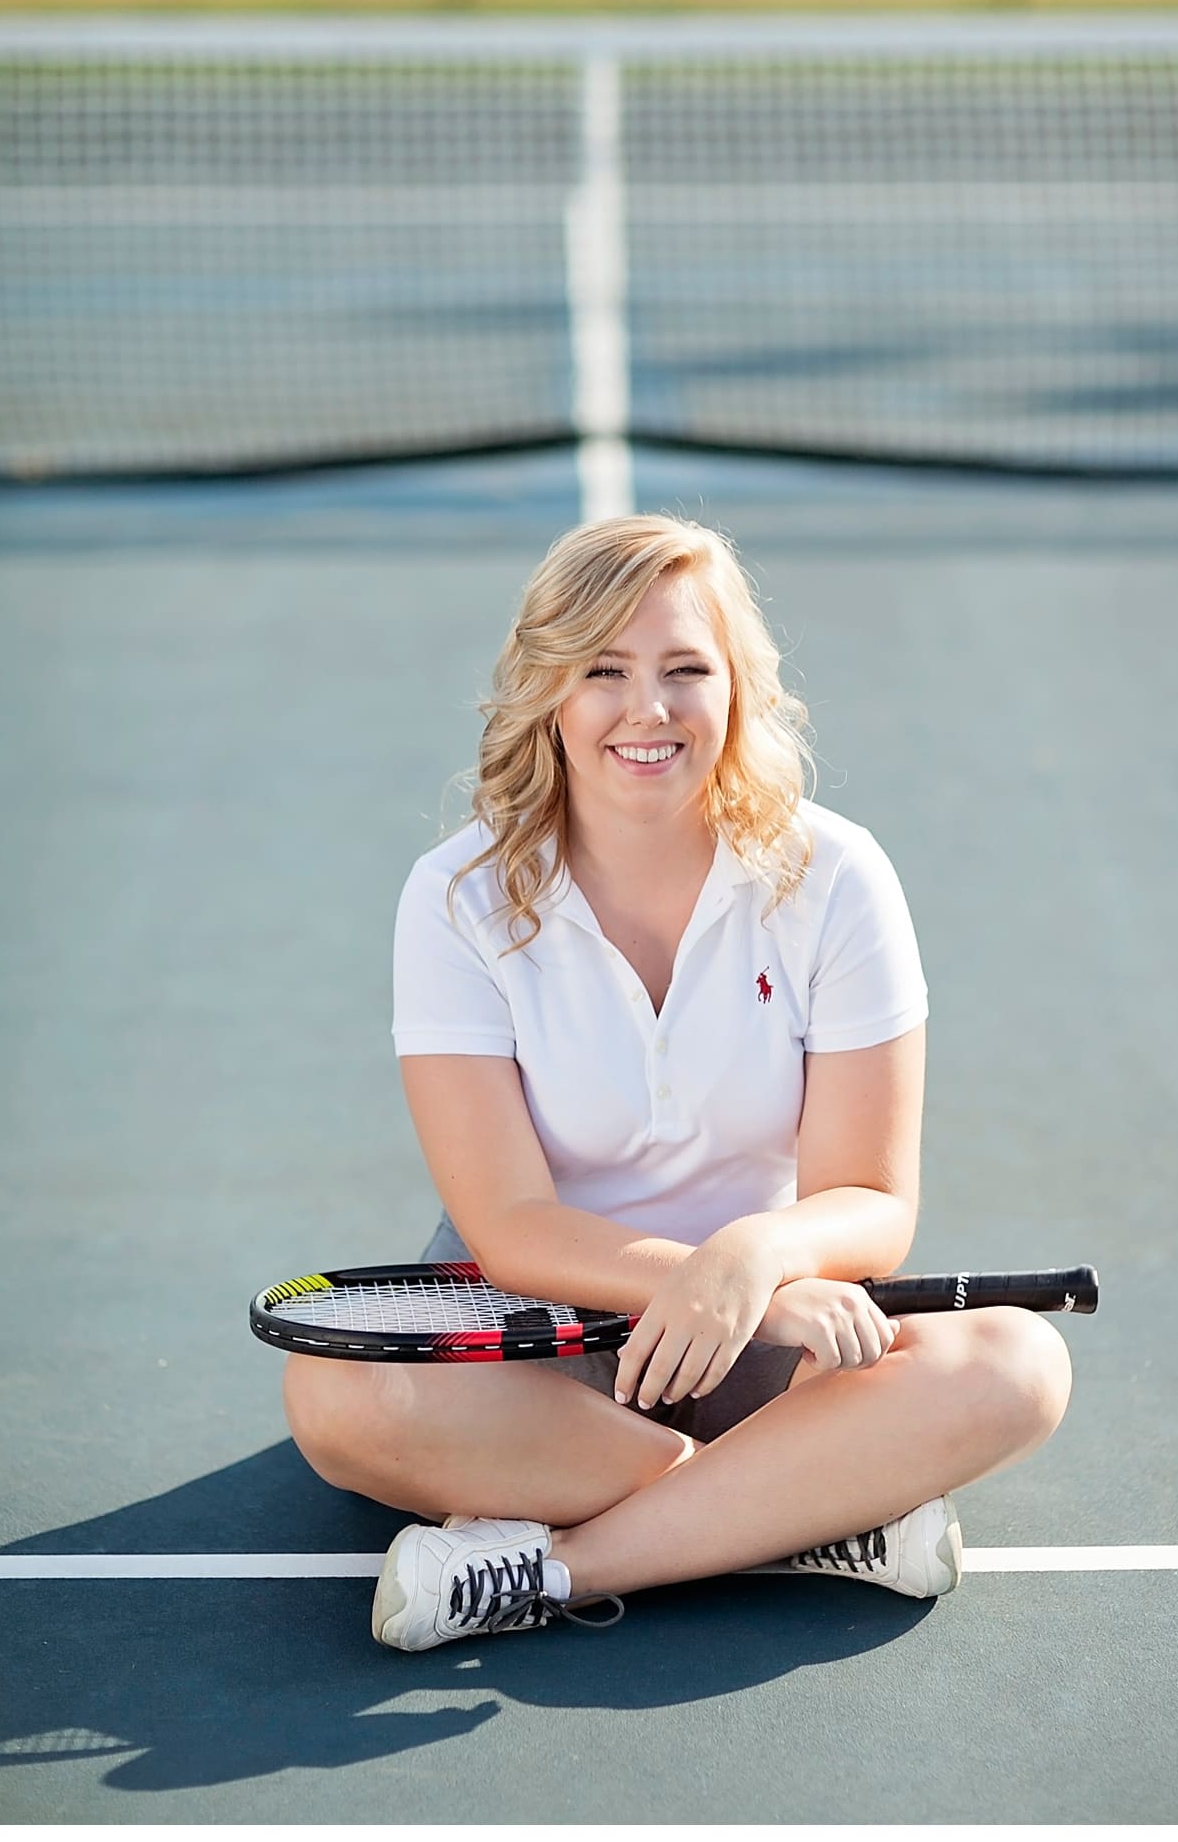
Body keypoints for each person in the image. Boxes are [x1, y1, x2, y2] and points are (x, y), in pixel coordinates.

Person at [284, 514, 1072, 1651]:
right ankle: (804, 1512)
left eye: (685, 670)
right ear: (548, 691)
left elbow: (870, 1203)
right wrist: (691, 1284)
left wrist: (754, 1260)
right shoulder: (453, 895)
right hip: (541, 1339)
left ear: (737, 688)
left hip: (771, 1332)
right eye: (603, 670)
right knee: (336, 1395)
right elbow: (508, 1220)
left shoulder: (838, 876)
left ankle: (554, 1567)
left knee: (1015, 1364)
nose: (646, 710)